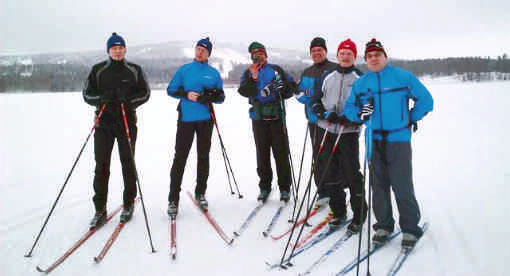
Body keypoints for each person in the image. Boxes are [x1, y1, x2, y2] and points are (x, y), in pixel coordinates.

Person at [344, 38, 433, 247]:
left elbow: (426, 100)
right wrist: (360, 114)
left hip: (398, 139)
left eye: (378, 55)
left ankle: (410, 228)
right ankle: (383, 226)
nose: (374, 59)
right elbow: (350, 108)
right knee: (379, 186)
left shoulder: (402, 77)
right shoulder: (362, 82)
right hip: (373, 139)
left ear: (385, 57)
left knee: (402, 185)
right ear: (365, 60)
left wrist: (410, 117)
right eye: (370, 56)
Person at [83, 32, 150, 227]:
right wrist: (101, 98)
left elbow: (145, 93)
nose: (118, 51)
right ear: (108, 50)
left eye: (121, 48)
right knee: (101, 166)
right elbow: (87, 94)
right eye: (114, 48)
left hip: (126, 124)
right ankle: (99, 209)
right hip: (103, 124)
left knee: (128, 164)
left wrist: (128, 101)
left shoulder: (134, 69)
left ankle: (128, 204)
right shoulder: (98, 70)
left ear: (125, 50)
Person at [310, 39, 367, 232]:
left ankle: (359, 214)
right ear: (337, 55)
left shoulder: (360, 77)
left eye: (349, 53)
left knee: (352, 174)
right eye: (342, 53)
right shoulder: (328, 76)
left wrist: (354, 119)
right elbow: (316, 100)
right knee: (330, 172)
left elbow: (367, 106)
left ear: (354, 56)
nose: (345, 56)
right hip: (327, 129)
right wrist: (322, 112)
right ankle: (339, 211)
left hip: (348, 132)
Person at [166, 37, 225, 217]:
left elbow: (221, 97)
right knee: (180, 157)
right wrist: (186, 94)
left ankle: (200, 193)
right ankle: (173, 199)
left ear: (208, 54)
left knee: (203, 157)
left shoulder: (213, 73)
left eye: (204, 50)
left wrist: (209, 96)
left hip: (205, 120)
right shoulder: (184, 70)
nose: (200, 52)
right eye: (198, 49)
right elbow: (170, 90)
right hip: (186, 119)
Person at [238, 42, 297, 203]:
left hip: (277, 118)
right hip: (258, 119)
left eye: (261, 54)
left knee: (281, 153)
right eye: (255, 55)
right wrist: (254, 79)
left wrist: (282, 88)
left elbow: (290, 89)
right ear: (251, 57)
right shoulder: (248, 73)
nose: (258, 57)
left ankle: (285, 188)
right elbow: (244, 91)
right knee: (262, 154)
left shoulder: (277, 69)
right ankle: (265, 187)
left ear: (266, 55)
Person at [295, 37, 337, 206]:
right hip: (314, 121)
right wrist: (309, 97)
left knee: (336, 156)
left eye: (320, 50)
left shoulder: (335, 68)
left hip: (333, 122)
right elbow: (299, 94)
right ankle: (323, 191)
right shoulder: (307, 72)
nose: (316, 53)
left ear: (325, 51)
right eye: (313, 51)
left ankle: (338, 190)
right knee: (318, 157)